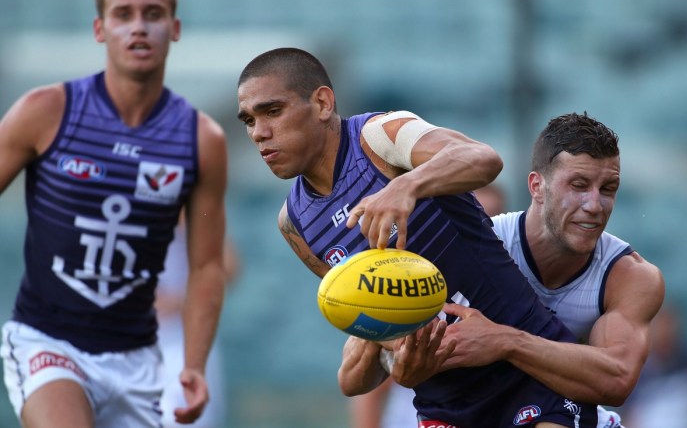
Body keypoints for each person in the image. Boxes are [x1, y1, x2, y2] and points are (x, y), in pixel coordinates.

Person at [236, 47, 598, 427]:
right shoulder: (295, 224)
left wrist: (405, 187)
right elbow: (378, 338)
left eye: (272, 112)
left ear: (323, 103)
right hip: (447, 409)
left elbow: (483, 158)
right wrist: (399, 361)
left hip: (530, 374)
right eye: (248, 120)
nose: (259, 133)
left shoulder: (379, 138)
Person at [0, 0, 229, 427]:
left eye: (153, 13)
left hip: (138, 363)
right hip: (47, 342)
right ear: (100, 29)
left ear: (175, 27)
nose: (139, 27)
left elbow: (207, 266)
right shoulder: (46, 111)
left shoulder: (200, 139)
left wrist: (194, 364)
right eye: (123, 14)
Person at [430, 112, 665, 427]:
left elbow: (616, 380)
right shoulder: (479, 246)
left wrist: (505, 341)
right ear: (537, 186)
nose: (595, 205)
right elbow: (362, 371)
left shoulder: (630, 276)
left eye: (608, 189)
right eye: (579, 185)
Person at [348, 183, 508, 428]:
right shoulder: (412, 298)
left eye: (491, 223)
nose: (480, 235)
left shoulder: (508, 301)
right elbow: (366, 392)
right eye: (471, 223)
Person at [156, 212, 239, 428]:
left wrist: (181, 301)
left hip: (182, 342)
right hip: (136, 340)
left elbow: (228, 266)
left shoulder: (180, 203)